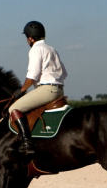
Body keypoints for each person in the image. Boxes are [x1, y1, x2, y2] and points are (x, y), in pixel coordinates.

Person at [8, 20, 67, 156]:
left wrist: (21, 91)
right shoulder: (52, 49)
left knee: (14, 109)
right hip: (59, 89)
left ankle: (27, 143)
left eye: (26, 38)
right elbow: (64, 72)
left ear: (30, 38)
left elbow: (32, 76)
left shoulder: (35, 49)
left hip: (46, 90)